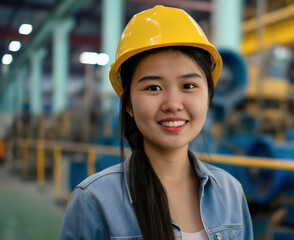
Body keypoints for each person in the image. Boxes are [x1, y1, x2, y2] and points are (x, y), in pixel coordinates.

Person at [60, 5, 253, 240]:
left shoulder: (231, 193)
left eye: (188, 86)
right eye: (153, 87)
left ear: (209, 97)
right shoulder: (94, 202)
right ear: (128, 103)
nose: (173, 103)